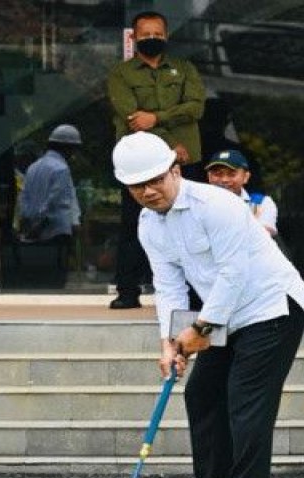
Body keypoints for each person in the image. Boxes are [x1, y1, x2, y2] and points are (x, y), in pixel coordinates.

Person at [112, 132, 304, 478]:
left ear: (174, 170)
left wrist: (201, 328)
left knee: (246, 400)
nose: (149, 191)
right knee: (202, 394)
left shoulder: (216, 205)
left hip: (272, 305)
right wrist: (169, 342)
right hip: (224, 312)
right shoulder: (149, 223)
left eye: (156, 180)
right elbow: (168, 285)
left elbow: (233, 273)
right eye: (138, 185)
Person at [106, 11, 206, 309]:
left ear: (166, 36)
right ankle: (128, 291)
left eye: (157, 33)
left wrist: (158, 118)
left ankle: (195, 293)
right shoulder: (121, 74)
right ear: (134, 38)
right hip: (142, 165)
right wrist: (171, 145)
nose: (152, 38)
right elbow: (134, 119)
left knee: (192, 226)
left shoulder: (185, 69)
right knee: (134, 225)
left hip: (185, 162)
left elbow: (196, 108)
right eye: (145, 34)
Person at [17, 124, 83, 280]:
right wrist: (74, 224)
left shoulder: (33, 167)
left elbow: (24, 198)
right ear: (67, 148)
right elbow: (58, 201)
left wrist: (29, 223)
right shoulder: (61, 169)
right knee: (57, 276)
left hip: (33, 228)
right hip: (56, 230)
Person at [204, 148, 279, 239]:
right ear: (209, 177)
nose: (224, 180)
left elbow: (261, 238)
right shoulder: (199, 204)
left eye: (232, 174)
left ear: (246, 177)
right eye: (218, 174)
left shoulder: (260, 203)